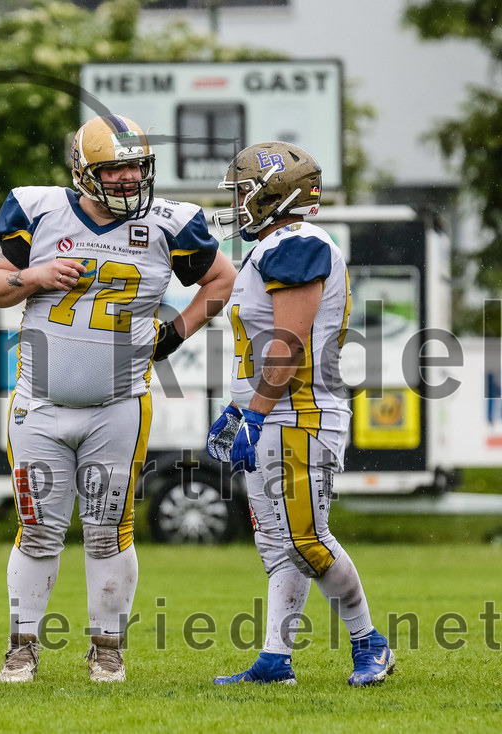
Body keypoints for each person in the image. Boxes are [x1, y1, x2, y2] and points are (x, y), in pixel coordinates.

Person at [0, 114, 236, 682]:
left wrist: (178, 331)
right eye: (112, 168)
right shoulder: (37, 209)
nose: (125, 179)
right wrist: (38, 274)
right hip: (39, 403)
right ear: (83, 172)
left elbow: (222, 279)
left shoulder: (170, 221)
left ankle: (108, 648)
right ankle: (22, 648)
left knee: (106, 526)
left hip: (119, 405)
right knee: (39, 527)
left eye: (134, 167)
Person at [207, 141, 395, 687]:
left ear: (273, 194)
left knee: (305, 537)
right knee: (278, 542)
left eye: (246, 190)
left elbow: (289, 342)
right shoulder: (270, 248)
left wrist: (259, 414)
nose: (240, 200)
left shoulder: (299, 243)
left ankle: (370, 642)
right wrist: (241, 409)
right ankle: (274, 659)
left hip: (302, 415)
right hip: (282, 411)